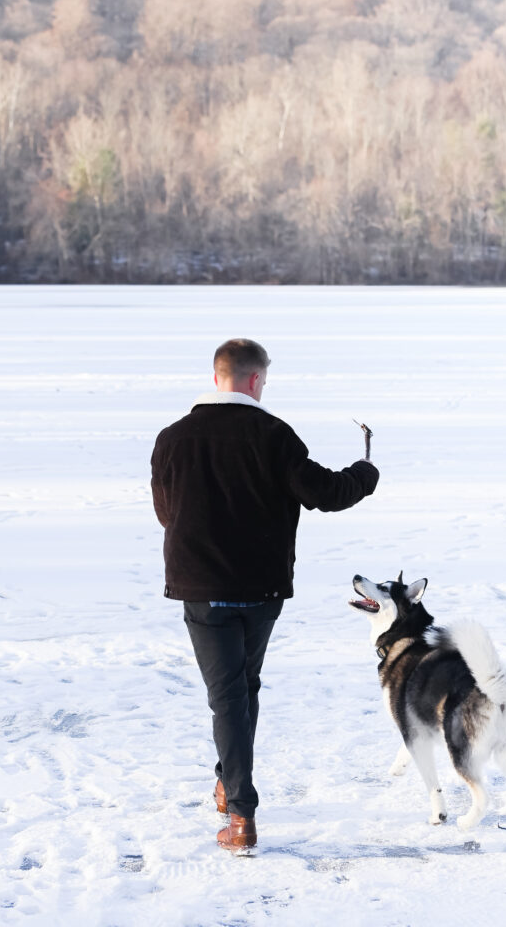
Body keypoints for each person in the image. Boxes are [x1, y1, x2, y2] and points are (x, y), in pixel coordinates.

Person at [150, 338, 379, 852]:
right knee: (241, 689)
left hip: (202, 587)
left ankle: (239, 812)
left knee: (232, 694)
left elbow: (166, 512)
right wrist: (366, 473)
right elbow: (327, 493)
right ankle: (230, 786)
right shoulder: (274, 435)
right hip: (260, 588)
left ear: (218, 377)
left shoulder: (171, 438)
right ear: (256, 381)